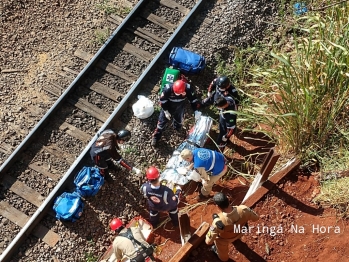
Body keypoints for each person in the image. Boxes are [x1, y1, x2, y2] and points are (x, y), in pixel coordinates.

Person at [205, 192, 259, 261]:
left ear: (217, 206)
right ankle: (236, 240)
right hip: (239, 233)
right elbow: (256, 218)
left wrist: (214, 221)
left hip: (225, 239)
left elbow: (208, 241)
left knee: (222, 251)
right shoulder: (243, 209)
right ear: (228, 199)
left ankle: (224, 258)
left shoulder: (218, 222)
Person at [151, 79, 201, 146]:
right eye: (176, 93)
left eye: (179, 93)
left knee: (179, 119)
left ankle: (177, 127)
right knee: (161, 122)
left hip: (180, 105)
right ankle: (156, 137)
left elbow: (193, 100)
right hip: (168, 105)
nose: (177, 95)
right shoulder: (167, 89)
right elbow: (162, 101)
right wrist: (165, 111)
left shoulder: (188, 88)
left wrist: (196, 110)